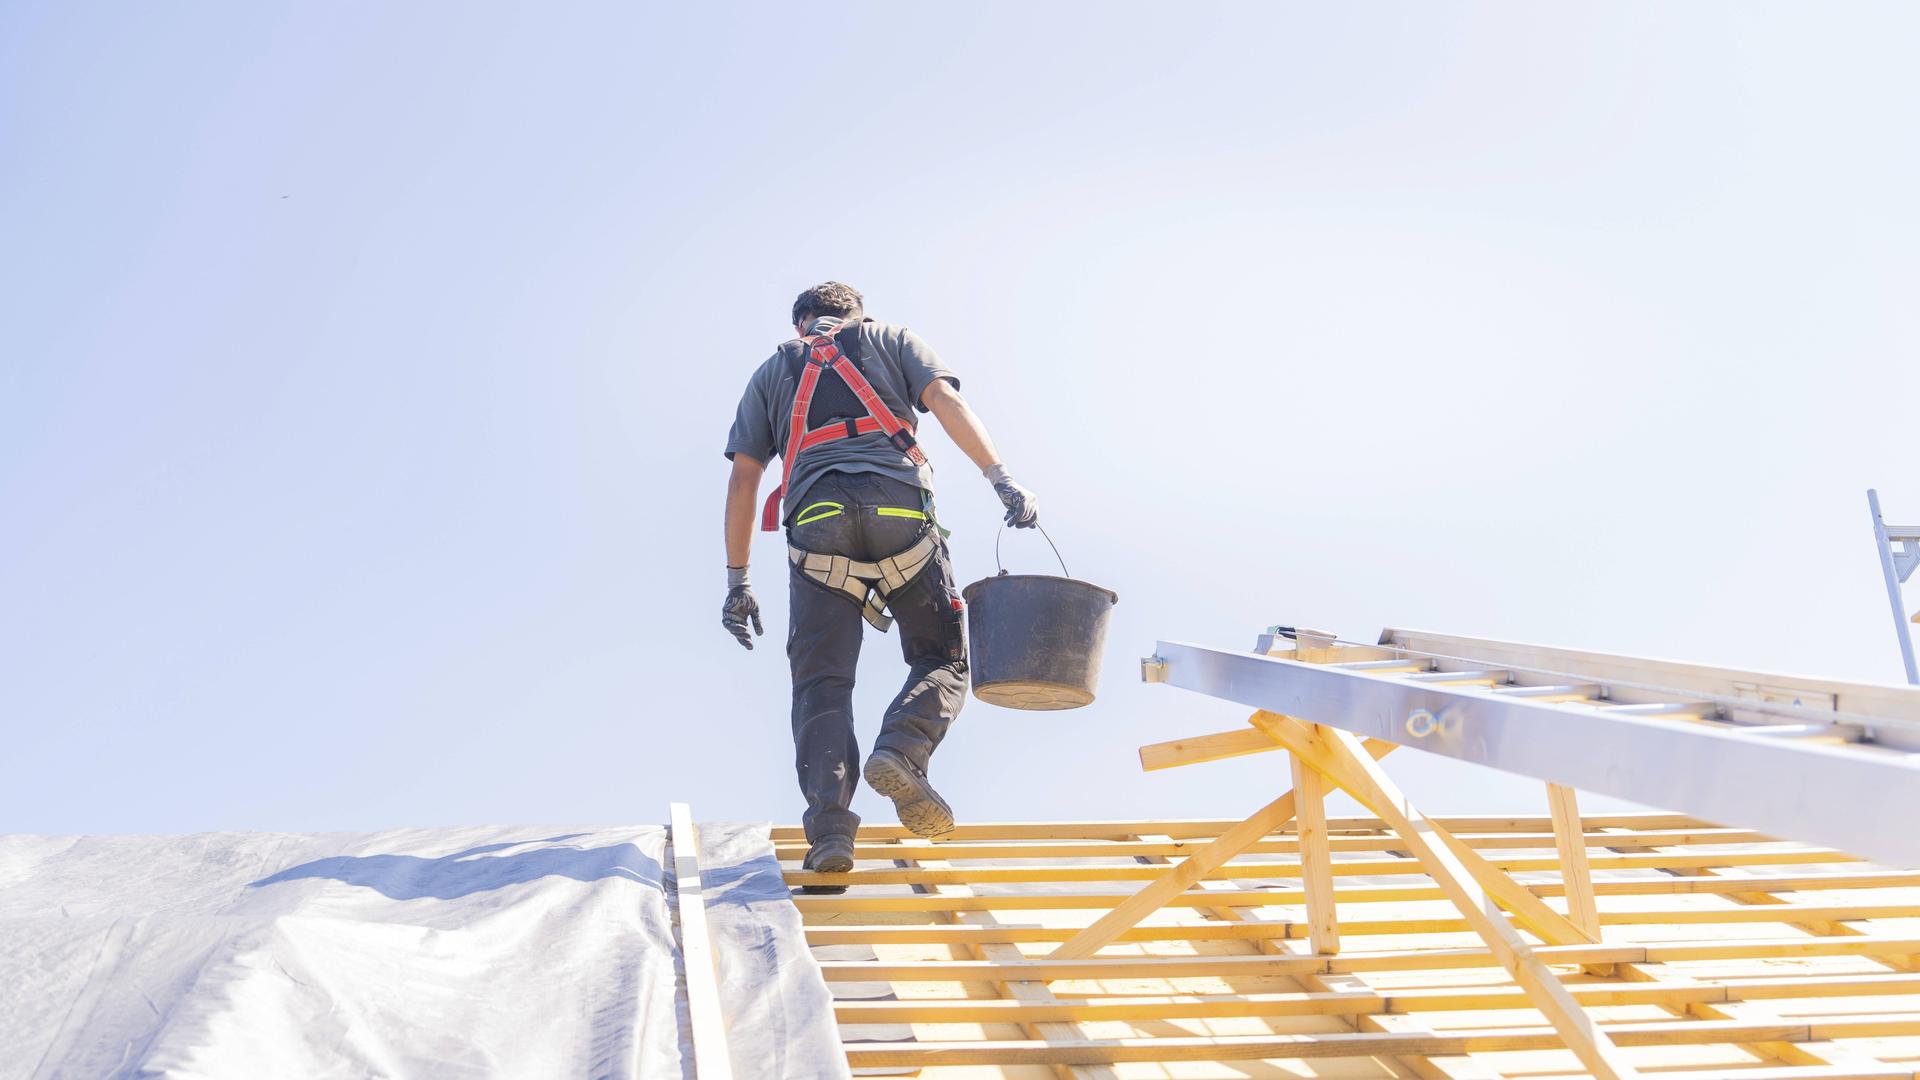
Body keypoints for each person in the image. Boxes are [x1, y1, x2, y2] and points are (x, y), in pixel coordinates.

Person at [721, 282, 1040, 881]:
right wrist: (1002, 479)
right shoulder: (890, 339)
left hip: (817, 530)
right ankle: (903, 748)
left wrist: (738, 581)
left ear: (802, 326)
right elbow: (944, 402)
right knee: (942, 659)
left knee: (822, 683)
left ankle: (830, 832)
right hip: (902, 517)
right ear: (855, 316)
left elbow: (744, 479)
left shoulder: (773, 370)